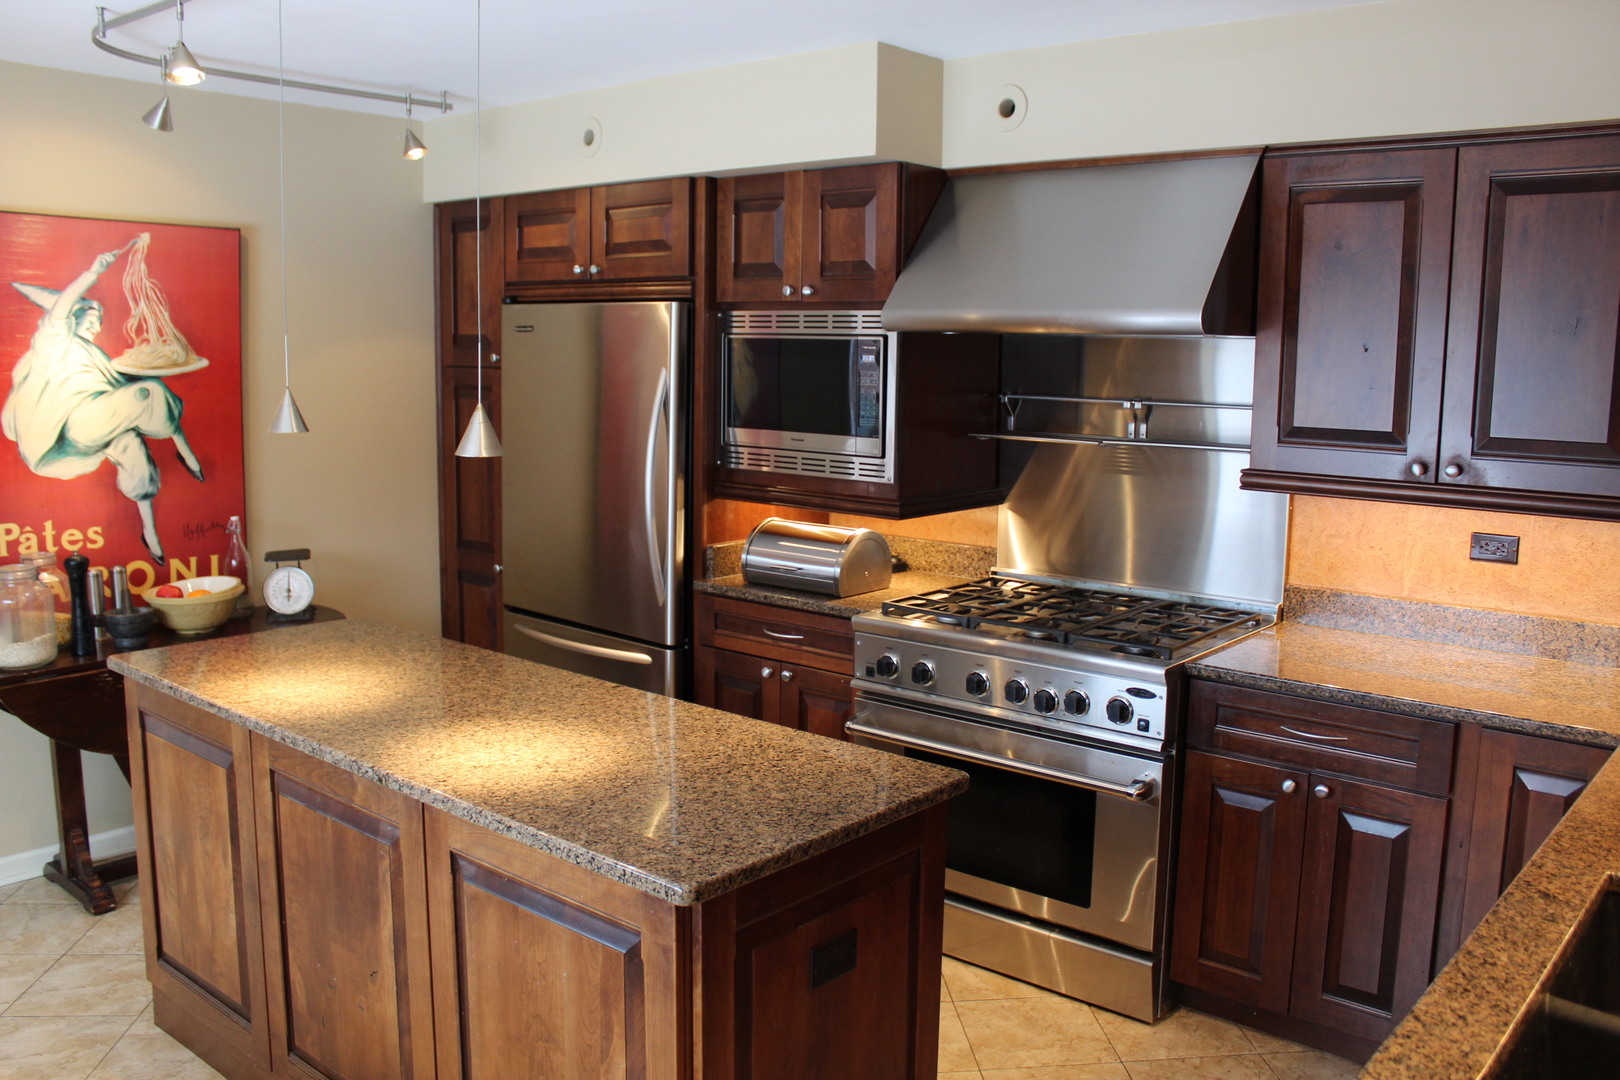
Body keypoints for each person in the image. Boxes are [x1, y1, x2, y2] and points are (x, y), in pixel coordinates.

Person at [2, 241, 202, 566]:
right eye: (90, 318)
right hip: (71, 431)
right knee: (145, 393)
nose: (97, 325)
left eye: (99, 319)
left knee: (134, 447)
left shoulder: (96, 356)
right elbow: (60, 309)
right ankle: (183, 447)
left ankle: (150, 532)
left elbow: (117, 387)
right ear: (72, 321)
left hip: (97, 425)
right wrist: (92, 273)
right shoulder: (54, 345)